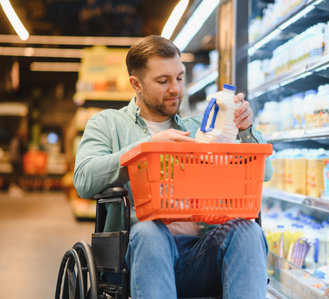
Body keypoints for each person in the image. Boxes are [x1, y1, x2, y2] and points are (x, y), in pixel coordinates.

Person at [74, 35, 273, 299]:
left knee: (248, 231)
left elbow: (264, 173)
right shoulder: (107, 124)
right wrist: (144, 149)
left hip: (200, 255)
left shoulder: (200, 131)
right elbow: (84, 180)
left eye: (179, 77)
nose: (176, 89)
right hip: (134, 259)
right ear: (136, 84)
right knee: (148, 230)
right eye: (163, 81)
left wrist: (246, 130)